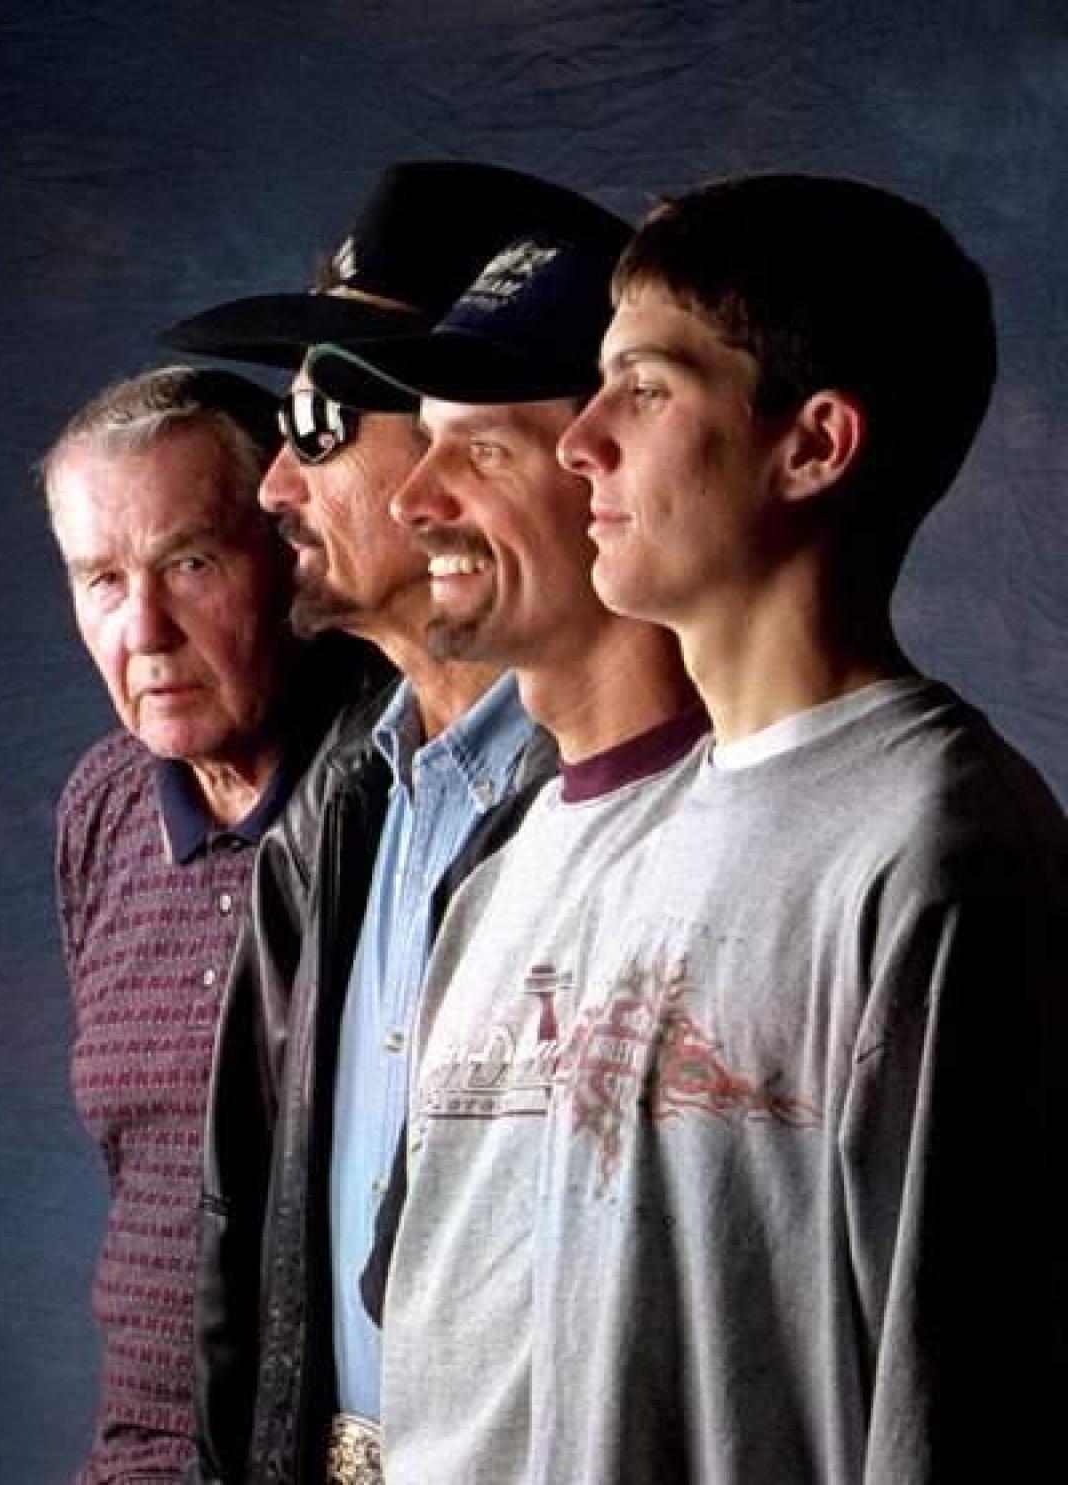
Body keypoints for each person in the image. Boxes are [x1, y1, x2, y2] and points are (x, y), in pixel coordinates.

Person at [431, 171, 1068, 1483]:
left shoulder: (940, 854)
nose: (580, 440)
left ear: (814, 445)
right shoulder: (601, 848)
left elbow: (964, 1399)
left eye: (645, 389)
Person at [162, 163, 632, 1484]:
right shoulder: (333, 803)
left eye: (317, 424)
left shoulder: (627, 805)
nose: (272, 489)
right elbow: (246, 1247)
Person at [307, 226, 705, 1485]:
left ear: (608, 466)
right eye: (421, 442)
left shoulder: (760, 850)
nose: (413, 499)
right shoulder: (493, 876)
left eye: (480, 448)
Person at [44, 366, 356, 1484]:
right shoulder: (103, 805)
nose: (145, 630)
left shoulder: (389, 789)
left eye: (190, 564)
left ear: (285, 555)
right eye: (101, 580)